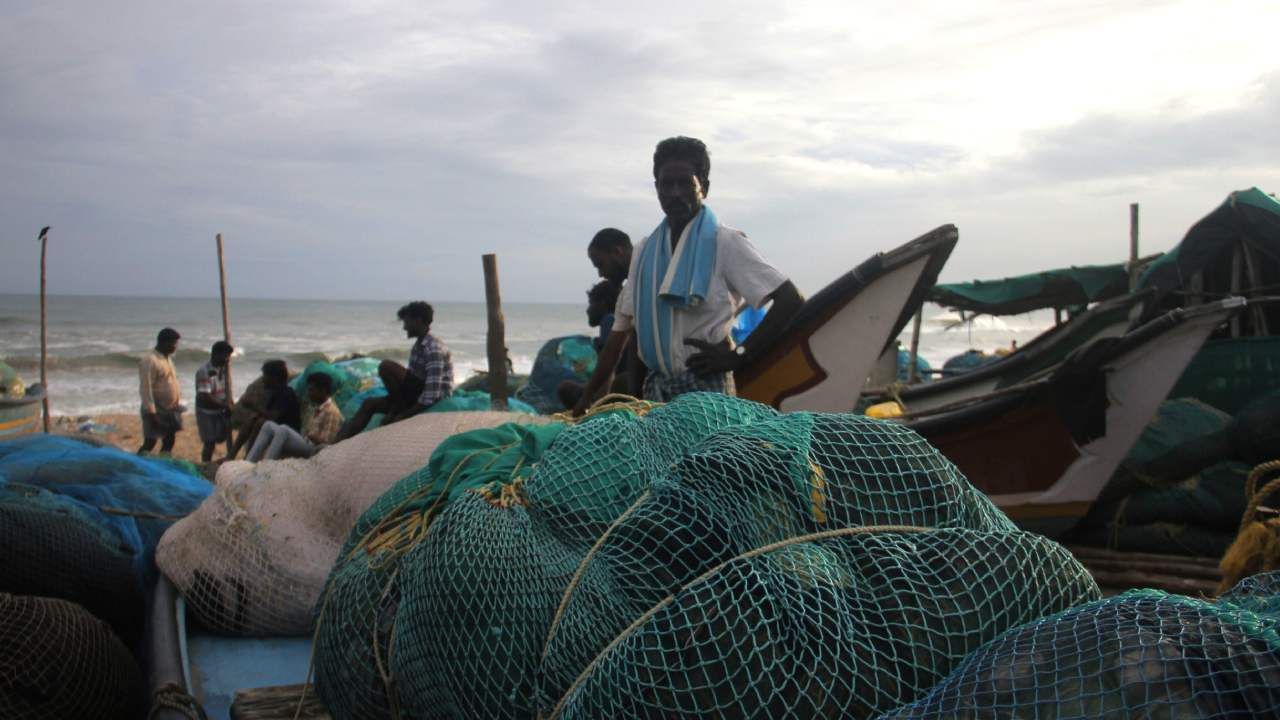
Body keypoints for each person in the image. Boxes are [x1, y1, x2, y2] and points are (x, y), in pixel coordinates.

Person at [574, 136, 803, 411]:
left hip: (707, 392)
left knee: (708, 457)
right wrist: (632, 403)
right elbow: (633, 334)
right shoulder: (645, 252)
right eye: (666, 184)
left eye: (685, 183)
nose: (675, 193)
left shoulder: (725, 242)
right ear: (656, 188)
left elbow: (790, 299)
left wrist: (739, 356)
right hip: (656, 390)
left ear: (703, 187)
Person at [338, 301, 453, 439]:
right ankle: (337, 443)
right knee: (369, 404)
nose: (404, 327)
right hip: (413, 393)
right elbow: (410, 380)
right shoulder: (419, 345)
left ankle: (398, 409)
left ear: (418, 321)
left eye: (407, 322)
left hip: (428, 397)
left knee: (386, 366)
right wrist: (393, 411)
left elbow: (431, 395)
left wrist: (402, 417)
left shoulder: (433, 349)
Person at [557, 279, 624, 409]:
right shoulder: (614, 321)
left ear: (602, 303)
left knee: (565, 388)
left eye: (591, 304)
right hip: (617, 387)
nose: (588, 310)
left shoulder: (609, 320)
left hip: (615, 389)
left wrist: (596, 402)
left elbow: (610, 365)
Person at [247, 372, 342, 461]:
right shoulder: (319, 407)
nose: (309, 394)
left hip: (312, 449)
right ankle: (250, 461)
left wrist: (312, 436)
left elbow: (327, 443)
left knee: (283, 429)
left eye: (311, 390)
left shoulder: (331, 412)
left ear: (322, 391)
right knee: (268, 425)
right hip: (305, 442)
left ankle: (267, 463)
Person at [227, 359, 302, 459]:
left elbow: (273, 416)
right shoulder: (275, 393)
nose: (263, 380)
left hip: (287, 433)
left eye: (265, 376)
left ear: (274, 378)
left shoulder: (287, 394)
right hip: (277, 429)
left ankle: (249, 458)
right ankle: (232, 455)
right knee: (253, 419)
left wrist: (252, 406)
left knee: (260, 422)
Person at [138, 327, 183, 455]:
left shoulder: (167, 359)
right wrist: (152, 414)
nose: (175, 347)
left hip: (170, 408)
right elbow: (145, 388)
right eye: (173, 344)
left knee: (169, 440)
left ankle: (164, 463)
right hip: (156, 409)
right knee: (150, 442)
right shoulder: (150, 360)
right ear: (164, 342)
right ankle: (138, 463)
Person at [195, 341, 234, 463]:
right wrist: (224, 406)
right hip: (206, 411)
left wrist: (229, 404)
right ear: (216, 354)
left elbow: (227, 390)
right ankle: (206, 464)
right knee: (209, 442)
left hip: (220, 409)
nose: (227, 359)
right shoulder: (204, 371)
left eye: (229, 356)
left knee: (223, 437)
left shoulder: (225, 369)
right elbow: (204, 396)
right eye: (225, 356)